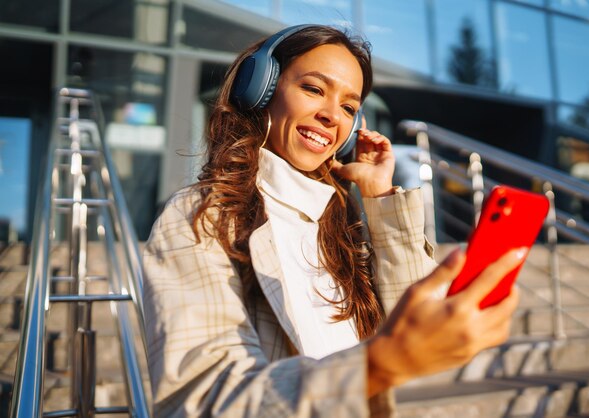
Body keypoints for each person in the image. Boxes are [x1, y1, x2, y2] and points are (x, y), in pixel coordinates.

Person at [142, 24, 523, 418]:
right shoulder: (202, 217)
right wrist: (378, 364)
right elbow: (203, 400)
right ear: (260, 89)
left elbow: (413, 328)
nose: (330, 116)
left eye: (348, 107)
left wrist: (380, 199)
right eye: (313, 89)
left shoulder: (339, 228)